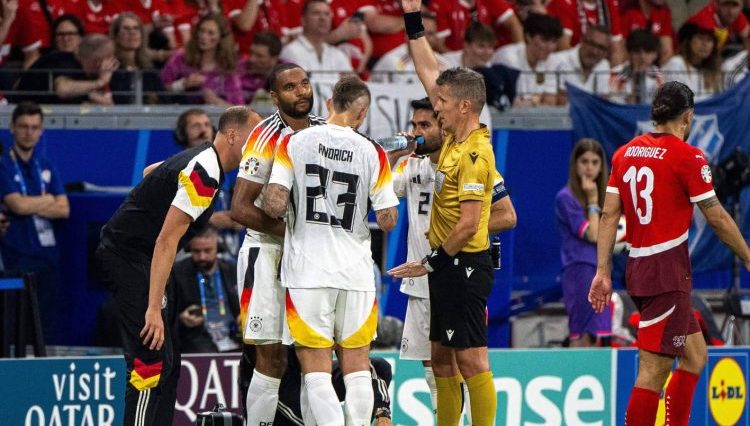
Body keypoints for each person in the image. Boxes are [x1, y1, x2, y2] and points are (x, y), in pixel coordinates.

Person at [589, 81, 750, 425]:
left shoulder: (624, 153)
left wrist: (602, 271)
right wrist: (749, 258)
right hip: (667, 274)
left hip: (639, 269)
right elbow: (718, 218)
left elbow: (609, 215)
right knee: (653, 370)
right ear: (688, 117)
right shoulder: (688, 157)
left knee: (695, 355)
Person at [96, 106, 260, 426]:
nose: (259, 145)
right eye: (254, 137)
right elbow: (166, 242)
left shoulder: (201, 159)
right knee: (150, 360)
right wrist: (153, 307)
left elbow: (151, 172)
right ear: (232, 135)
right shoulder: (206, 172)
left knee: (170, 362)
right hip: (129, 258)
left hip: (144, 258)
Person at [262, 75, 399, 426]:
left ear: (328, 105)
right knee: (357, 369)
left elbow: (274, 204)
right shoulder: (373, 151)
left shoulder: (294, 142)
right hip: (355, 272)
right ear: (362, 112)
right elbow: (387, 219)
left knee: (317, 371)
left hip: (307, 271)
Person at [388, 1, 499, 424]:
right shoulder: (453, 138)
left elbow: (470, 222)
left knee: (471, 361)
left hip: (464, 265)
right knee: (441, 358)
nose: (438, 107)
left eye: (444, 103)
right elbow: (427, 70)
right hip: (449, 265)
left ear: (465, 107)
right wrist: (413, 20)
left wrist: (429, 263)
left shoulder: (474, 154)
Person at [389, 97, 516, 415]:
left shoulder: (466, 162)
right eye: (414, 125)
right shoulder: (410, 165)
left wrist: (462, 233)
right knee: (435, 367)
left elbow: (507, 216)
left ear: (442, 127)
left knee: (467, 362)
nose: (416, 132)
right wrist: (393, 156)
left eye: (425, 125)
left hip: (455, 272)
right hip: (420, 280)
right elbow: (382, 198)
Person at [230, 62, 326, 426]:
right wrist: (295, 233)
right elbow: (239, 207)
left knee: (312, 356)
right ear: (274, 97)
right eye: (290, 88)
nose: (301, 92)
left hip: (311, 260)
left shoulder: (326, 132)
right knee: (271, 359)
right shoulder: (263, 137)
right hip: (266, 255)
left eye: (304, 84)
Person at [0, 101, 69, 343]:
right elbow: (16, 205)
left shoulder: (47, 165)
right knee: (14, 327)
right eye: (24, 126)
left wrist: (29, 204)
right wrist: (47, 199)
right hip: (15, 256)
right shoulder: (4, 165)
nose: (29, 132)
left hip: (48, 258)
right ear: (12, 128)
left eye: (34, 127)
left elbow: (64, 209)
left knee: (43, 327)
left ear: (41, 131)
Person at [241, 345, 394, 426]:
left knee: (379, 367)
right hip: (278, 385)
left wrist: (383, 413)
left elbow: (359, 361)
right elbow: (267, 371)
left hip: (312, 373)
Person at [555, 138, 612, 347]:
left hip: (601, 271)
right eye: (584, 161)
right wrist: (593, 201)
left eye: (595, 162)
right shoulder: (566, 197)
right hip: (579, 270)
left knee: (601, 334)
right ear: (575, 165)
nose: (589, 168)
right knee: (582, 334)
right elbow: (594, 235)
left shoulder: (607, 196)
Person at [172, 225, 240, 354]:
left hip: (234, 337)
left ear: (218, 247)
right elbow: (166, 313)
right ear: (189, 249)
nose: (202, 257)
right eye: (196, 251)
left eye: (207, 250)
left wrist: (242, 317)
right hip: (197, 341)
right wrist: (181, 318)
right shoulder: (177, 273)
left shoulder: (233, 270)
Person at [160, 13, 244, 105]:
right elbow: (158, 90)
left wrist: (216, 102)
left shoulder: (227, 66)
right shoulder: (181, 57)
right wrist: (182, 84)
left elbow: (239, 109)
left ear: (221, 38)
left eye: (210, 33)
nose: (204, 36)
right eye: (201, 31)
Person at [14, 34, 119, 105]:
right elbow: (62, 89)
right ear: (98, 61)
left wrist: (92, 96)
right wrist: (100, 82)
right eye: (110, 58)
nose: (113, 63)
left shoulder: (83, 70)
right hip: (25, 114)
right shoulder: (63, 62)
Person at [491, 12, 563, 107]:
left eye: (554, 41)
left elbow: (550, 103)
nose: (550, 47)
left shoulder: (551, 60)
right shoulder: (509, 58)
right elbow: (514, 104)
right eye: (545, 40)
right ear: (528, 37)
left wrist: (531, 102)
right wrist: (538, 100)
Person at [279, 0, 353, 82]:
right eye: (316, 13)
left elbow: (354, 89)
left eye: (327, 14)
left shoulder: (338, 55)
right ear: (303, 20)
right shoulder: (291, 52)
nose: (323, 18)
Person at [552, 25, 612, 104]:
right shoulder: (557, 61)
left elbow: (602, 102)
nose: (594, 51)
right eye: (591, 44)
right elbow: (559, 103)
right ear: (582, 40)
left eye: (601, 48)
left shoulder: (604, 65)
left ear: (606, 52)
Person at [662, 22, 722, 101]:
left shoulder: (712, 72)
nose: (704, 44)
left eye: (709, 40)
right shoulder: (676, 64)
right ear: (689, 41)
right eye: (700, 38)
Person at [609, 29, 665, 105]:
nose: (642, 57)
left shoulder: (660, 76)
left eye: (647, 52)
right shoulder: (615, 75)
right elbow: (613, 107)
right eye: (637, 52)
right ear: (629, 53)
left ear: (655, 54)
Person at [240, 31, 282, 103]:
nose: (251, 59)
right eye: (251, 52)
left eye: (259, 56)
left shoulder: (287, 72)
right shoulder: (238, 69)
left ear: (274, 59)